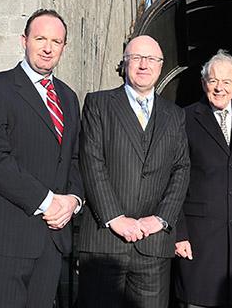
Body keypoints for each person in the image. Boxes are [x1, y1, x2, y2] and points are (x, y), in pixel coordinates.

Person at [0, 9, 84, 308]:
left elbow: (74, 159)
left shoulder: (68, 97)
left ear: (64, 47)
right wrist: (49, 202)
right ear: (24, 41)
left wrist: (73, 200)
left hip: (50, 243)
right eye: (40, 38)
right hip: (4, 240)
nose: (48, 47)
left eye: (56, 41)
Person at [77, 35, 190, 308]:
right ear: (125, 63)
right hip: (106, 242)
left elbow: (181, 168)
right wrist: (115, 217)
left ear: (161, 66)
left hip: (153, 246)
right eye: (136, 58)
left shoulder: (175, 115)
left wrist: (161, 219)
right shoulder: (98, 104)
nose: (143, 65)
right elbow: (92, 161)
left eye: (151, 59)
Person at [173, 50, 232, 308]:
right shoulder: (184, 117)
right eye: (213, 81)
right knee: (198, 301)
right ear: (204, 83)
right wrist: (179, 233)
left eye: (226, 82)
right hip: (200, 238)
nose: (219, 88)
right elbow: (176, 179)